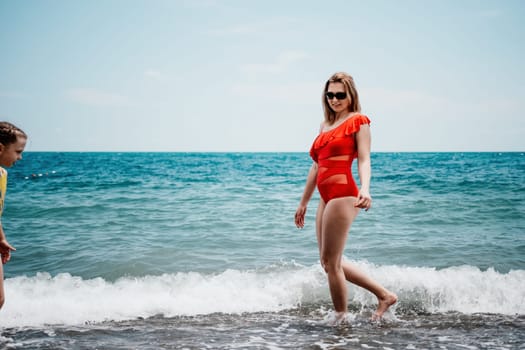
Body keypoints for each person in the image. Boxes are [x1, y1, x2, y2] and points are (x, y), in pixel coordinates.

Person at [294, 72, 397, 323]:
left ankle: (341, 319)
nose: (335, 99)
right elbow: (316, 167)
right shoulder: (324, 126)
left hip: (344, 194)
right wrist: (303, 202)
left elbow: (364, 158)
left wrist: (365, 188)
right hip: (324, 197)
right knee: (327, 262)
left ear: (351, 96)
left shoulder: (358, 121)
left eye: (340, 94)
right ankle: (384, 295)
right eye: (330, 94)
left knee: (332, 262)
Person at [0, 122, 27, 309]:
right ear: (0, 148)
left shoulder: (2, 174)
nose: (20, 157)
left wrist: (1, 239)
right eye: (17, 151)